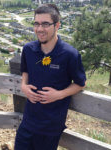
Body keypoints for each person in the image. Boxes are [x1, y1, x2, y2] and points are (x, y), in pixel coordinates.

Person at [15, 3, 86, 150]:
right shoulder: (28, 49)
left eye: (45, 24)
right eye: (36, 24)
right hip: (27, 121)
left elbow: (80, 83)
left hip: (51, 126)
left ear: (57, 25)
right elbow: (25, 70)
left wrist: (59, 94)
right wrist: (23, 85)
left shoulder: (70, 54)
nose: (40, 29)